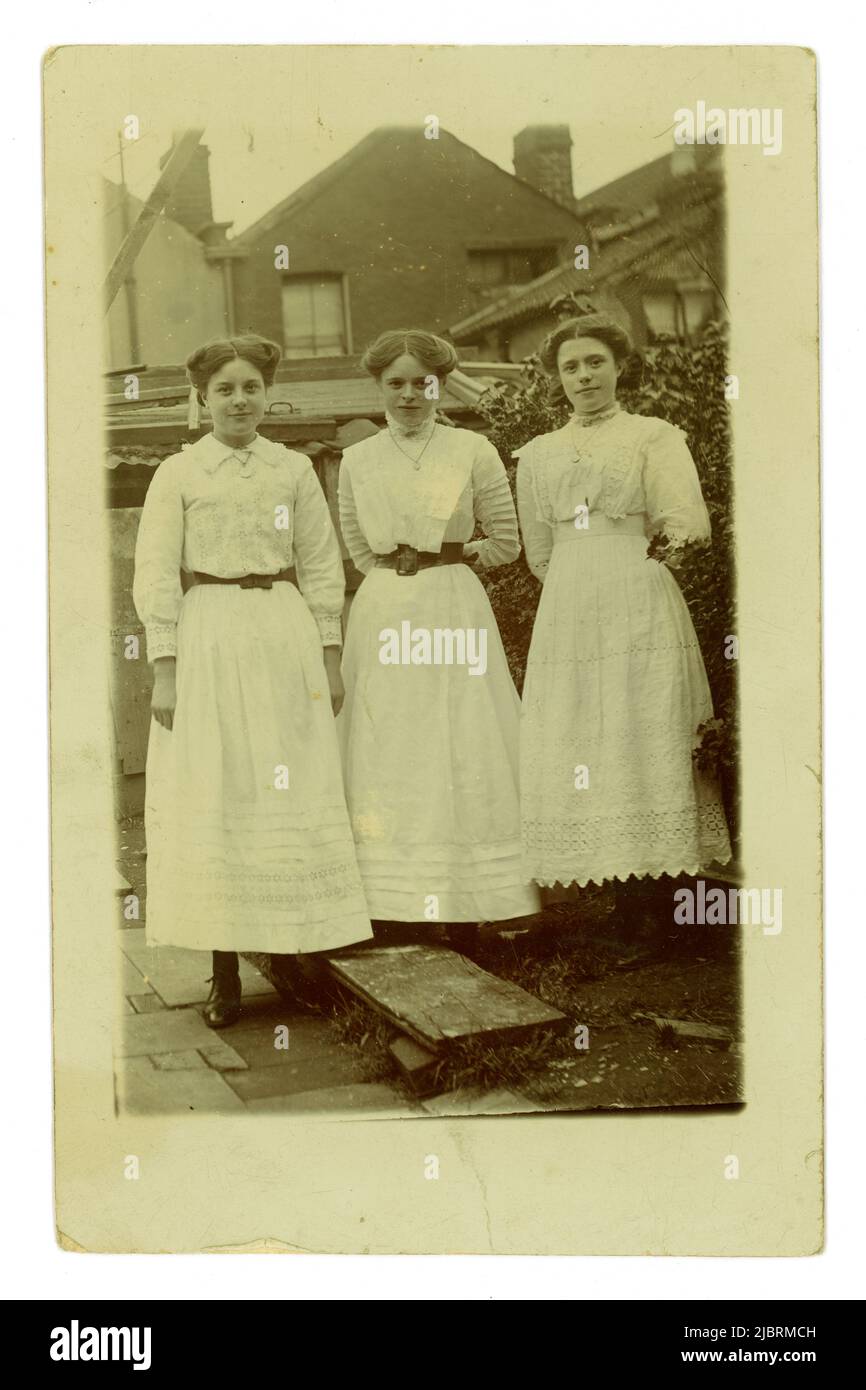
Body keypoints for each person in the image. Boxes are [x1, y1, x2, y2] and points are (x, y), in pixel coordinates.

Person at [133, 334, 373, 1028]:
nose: (239, 400)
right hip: (209, 635)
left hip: (283, 635)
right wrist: (166, 670)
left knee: (287, 788)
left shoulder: (293, 469)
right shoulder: (177, 474)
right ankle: (224, 973)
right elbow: (154, 575)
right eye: (225, 390)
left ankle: (298, 956)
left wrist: (329, 657)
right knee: (220, 791)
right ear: (202, 399)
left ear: (267, 395)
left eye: (251, 387)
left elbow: (323, 566)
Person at [514, 313, 732, 890]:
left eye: (594, 363)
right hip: (568, 603)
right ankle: (605, 888)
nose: (584, 376)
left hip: (639, 590)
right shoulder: (538, 453)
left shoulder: (652, 435)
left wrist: (631, 568)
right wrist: (577, 581)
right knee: (582, 724)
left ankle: (655, 901)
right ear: (555, 379)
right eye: (570, 367)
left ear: (619, 368)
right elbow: (538, 548)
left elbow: (687, 524)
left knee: (643, 722)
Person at [337, 329, 541, 936]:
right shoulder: (357, 458)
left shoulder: (472, 449)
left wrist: (450, 560)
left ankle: (473, 896)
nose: (407, 395)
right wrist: (401, 577)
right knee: (391, 739)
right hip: (384, 612)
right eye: (393, 383)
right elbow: (357, 547)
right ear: (378, 387)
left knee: (462, 736)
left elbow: (506, 541)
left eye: (421, 382)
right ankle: (396, 897)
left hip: (453, 604)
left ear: (440, 384)